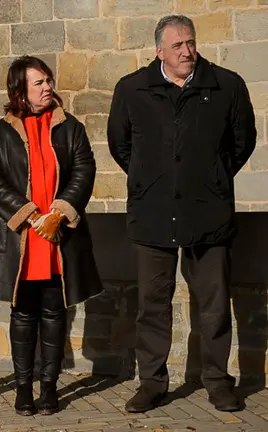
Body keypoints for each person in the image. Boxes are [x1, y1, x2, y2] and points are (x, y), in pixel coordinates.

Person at [107, 15, 256, 413]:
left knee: (213, 305)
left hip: (208, 215)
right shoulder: (132, 89)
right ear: (159, 51)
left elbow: (242, 143)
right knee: (152, 307)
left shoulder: (226, 86)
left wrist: (211, 180)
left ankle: (218, 382)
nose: (187, 51)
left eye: (190, 42)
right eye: (177, 46)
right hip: (152, 216)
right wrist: (149, 183)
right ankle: (152, 384)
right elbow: (120, 146)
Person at [0, 56, 104, 416]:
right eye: (39, 83)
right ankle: (23, 388)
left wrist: (59, 213)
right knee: (23, 314)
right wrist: (31, 215)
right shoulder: (2, 132)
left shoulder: (71, 127)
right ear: (20, 91)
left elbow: (84, 169)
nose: (48, 87)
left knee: (54, 312)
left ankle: (48, 387)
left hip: (60, 238)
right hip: (22, 239)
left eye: (48, 81)